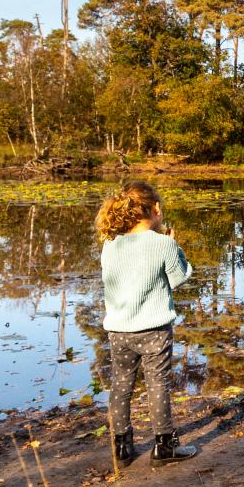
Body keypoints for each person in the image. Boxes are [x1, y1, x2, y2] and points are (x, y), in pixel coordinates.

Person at [96, 181, 197, 467]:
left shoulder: (110, 244)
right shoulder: (162, 243)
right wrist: (175, 246)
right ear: (152, 210)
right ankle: (164, 446)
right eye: (158, 206)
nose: (161, 210)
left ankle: (122, 447)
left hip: (118, 330)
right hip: (154, 330)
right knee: (157, 385)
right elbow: (179, 277)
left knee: (121, 385)